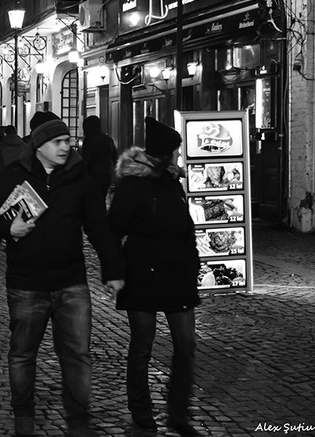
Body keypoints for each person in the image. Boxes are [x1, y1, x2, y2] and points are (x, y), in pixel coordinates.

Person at [0, 118, 125, 437]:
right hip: (26, 283)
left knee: (78, 355)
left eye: (67, 141)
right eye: (58, 142)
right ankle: (24, 417)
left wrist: (113, 271)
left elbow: (98, 227)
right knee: (22, 354)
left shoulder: (80, 178)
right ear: (39, 146)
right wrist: (8, 229)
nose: (65, 147)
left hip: (71, 282)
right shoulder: (13, 175)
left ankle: (78, 421)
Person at [108, 117, 201, 436]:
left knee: (186, 344)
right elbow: (113, 228)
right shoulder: (132, 185)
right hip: (141, 273)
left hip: (177, 273)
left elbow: (186, 228)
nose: (179, 155)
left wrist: (193, 264)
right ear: (165, 153)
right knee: (142, 346)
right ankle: (140, 409)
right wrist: (115, 271)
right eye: (176, 150)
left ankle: (178, 413)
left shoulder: (173, 183)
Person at [80, 115, 118, 198]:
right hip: (106, 174)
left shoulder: (89, 140)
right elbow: (115, 157)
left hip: (92, 174)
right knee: (102, 197)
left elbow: (86, 159)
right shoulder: (108, 140)